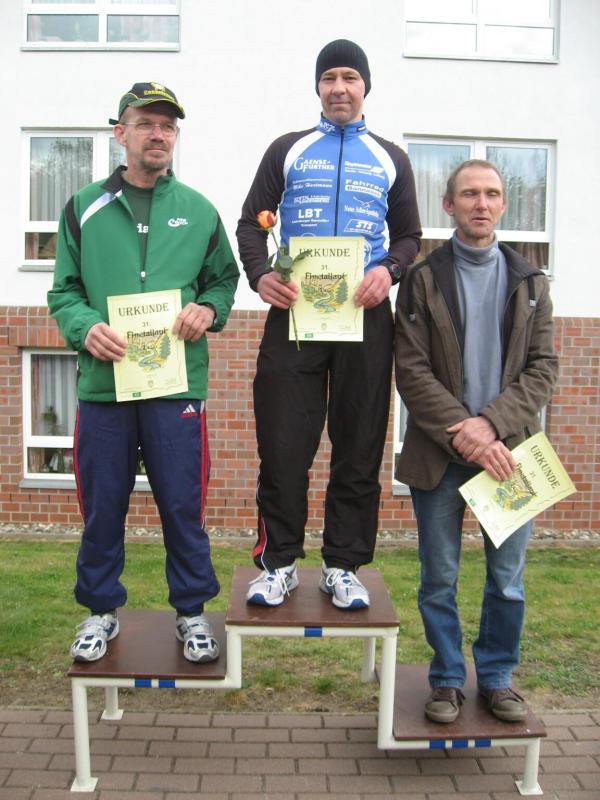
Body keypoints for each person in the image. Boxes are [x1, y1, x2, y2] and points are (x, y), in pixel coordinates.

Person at [48, 82, 239, 663]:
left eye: (168, 126)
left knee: (182, 503)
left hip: (174, 386)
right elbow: (64, 291)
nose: (159, 134)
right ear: (120, 133)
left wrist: (208, 310)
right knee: (103, 506)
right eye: (146, 123)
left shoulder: (199, 210)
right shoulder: (83, 208)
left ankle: (192, 613)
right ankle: (100, 611)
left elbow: (223, 281)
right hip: (103, 388)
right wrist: (85, 327)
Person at [236, 40, 421, 609]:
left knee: (360, 445)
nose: (339, 87)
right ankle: (278, 563)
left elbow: (409, 237)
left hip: (366, 314)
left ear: (366, 87)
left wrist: (389, 271)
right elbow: (249, 224)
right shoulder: (287, 149)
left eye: (350, 77)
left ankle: (343, 565)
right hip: (295, 311)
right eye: (329, 78)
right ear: (317, 87)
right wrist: (260, 275)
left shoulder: (392, 158)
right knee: (283, 444)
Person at [394, 160, 558, 722]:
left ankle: (497, 678)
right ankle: (446, 679)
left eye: (491, 194)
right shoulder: (422, 278)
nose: (481, 204)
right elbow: (412, 370)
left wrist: (489, 426)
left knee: (507, 582)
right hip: (439, 456)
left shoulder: (531, 283)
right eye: (469, 194)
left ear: (503, 204)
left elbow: (544, 369)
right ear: (449, 205)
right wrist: (468, 435)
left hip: (511, 454)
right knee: (438, 579)